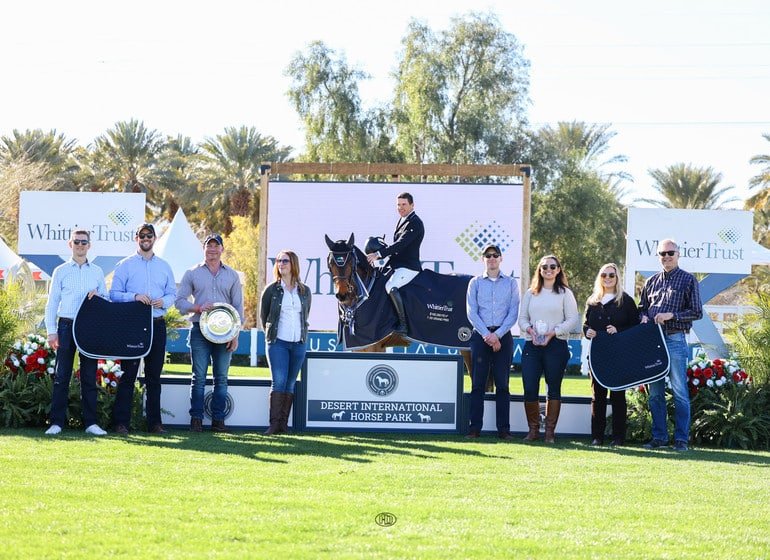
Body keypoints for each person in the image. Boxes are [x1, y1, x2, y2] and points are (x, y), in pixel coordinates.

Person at [110, 223, 176, 435]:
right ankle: (121, 423)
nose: (145, 239)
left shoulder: (164, 266)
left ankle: (155, 424)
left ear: (155, 238)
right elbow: (114, 294)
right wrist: (134, 297)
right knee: (128, 375)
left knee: (153, 377)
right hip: (133, 325)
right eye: (142, 236)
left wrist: (163, 302)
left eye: (149, 235)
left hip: (157, 324)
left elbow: (172, 294)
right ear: (136, 238)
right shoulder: (125, 265)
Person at [639, 238, 703, 452]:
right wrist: (644, 317)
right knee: (655, 392)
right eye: (662, 253)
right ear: (658, 256)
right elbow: (642, 308)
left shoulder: (688, 280)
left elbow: (696, 312)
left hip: (675, 339)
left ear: (678, 254)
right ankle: (659, 437)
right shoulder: (651, 282)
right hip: (652, 342)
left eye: (670, 253)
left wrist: (671, 315)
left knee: (679, 391)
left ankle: (681, 440)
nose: (666, 256)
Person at [175, 234, 244, 433]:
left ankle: (218, 420)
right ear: (204, 249)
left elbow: (238, 308)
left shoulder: (232, 275)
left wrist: (235, 335)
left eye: (216, 246)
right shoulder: (192, 273)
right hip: (199, 331)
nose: (212, 249)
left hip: (226, 333)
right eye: (208, 246)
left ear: (222, 249)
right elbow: (180, 302)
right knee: (198, 377)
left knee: (221, 377)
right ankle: (196, 419)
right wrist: (197, 307)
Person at [44, 230, 109, 436]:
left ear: (89, 245)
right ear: (70, 244)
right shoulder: (60, 271)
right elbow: (52, 303)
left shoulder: (97, 271)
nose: (80, 245)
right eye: (77, 242)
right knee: (62, 375)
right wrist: (51, 332)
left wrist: (98, 295)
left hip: (89, 328)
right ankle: (56, 423)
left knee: (89, 376)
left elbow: (106, 299)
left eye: (84, 242)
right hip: (65, 326)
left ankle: (91, 423)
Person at [518, 254, 579, 443]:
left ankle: (549, 432)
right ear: (540, 270)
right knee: (529, 387)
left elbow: (572, 319)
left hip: (556, 344)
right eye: (545, 267)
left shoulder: (565, 293)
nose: (549, 270)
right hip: (532, 344)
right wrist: (531, 331)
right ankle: (533, 430)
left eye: (553, 267)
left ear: (558, 270)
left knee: (553, 388)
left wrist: (553, 333)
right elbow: (522, 319)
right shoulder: (530, 293)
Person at [465, 244, 520, 440]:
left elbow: (513, 313)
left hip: (503, 336)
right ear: (483, 259)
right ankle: (474, 429)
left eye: (495, 255)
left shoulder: (511, 283)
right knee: (478, 384)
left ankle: (504, 430)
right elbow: (472, 312)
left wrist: (498, 335)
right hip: (481, 337)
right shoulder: (475, 283)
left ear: (501, 258)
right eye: (488, 256)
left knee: (503, 385)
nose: (492, 258)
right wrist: (487, 336)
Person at [583, 263, 640, 446]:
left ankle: (618, 438)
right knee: (597, 397)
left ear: (617, 278)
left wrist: (619, 329)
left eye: (611, 275)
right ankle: (597, 437)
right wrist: (587, 332)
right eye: (604, 275)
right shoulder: (593, 301)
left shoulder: (626, 301)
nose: (607, 278)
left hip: (618, 356)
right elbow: (585, 325)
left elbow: (635, 327)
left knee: (617, 397)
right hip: (597, 355)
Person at [259, 250, 312, 435]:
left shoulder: (305, 291)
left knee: (290, 383)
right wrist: (271, 335)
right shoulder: (271, 289)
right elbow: (263, 316)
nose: (280, 264)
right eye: (279, 261)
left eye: (285, 261)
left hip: (298, 343)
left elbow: (305, 315)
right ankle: (274, 425)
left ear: (293, 264)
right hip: (277, 342)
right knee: (279, 381)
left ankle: (283, 425)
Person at [366, 192, 424, 335]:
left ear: (412, 205)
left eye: (404, 204)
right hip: (398, 265)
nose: (400, 207)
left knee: (391, 286)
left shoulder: (415, 222)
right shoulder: (402, 220)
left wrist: (379, 254)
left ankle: (403, 325)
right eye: (398, 205)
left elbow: (401, 244)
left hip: (409, 267)